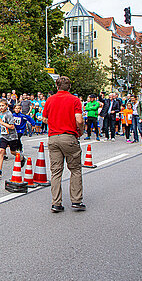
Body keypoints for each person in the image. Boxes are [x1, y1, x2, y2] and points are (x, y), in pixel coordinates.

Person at [42, 76, 85, 213]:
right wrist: (81, 130)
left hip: (53, 137)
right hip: (69, 137)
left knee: (55, 172)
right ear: (70, 87)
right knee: (75, 169)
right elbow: (79, 119)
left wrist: (54, 123)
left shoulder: (50, 99)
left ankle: (56, 203)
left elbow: (44, 118)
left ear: (57, 86)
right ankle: (76, 201)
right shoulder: (74, 100)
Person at [0, 99, 20, 179]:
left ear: (6, 106)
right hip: (3, 135)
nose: (1, 107)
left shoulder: (9, 114)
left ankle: (21, 157)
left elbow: (12, 126)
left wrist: (2, 123)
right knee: (1, 151)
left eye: (2, 106)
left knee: (12, 152)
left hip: (11, 136)